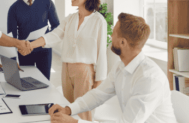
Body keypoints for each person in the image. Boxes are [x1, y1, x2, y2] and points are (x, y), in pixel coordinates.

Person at [48, 13, 178, 123]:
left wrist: (75, 121)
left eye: (114, 33)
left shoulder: (149, 80)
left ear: (123, 42)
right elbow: (98, 95)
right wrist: (69, 109)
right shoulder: (121, 66)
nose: (110, 36)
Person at [30, 0, 107, 121]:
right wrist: (31, 45)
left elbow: (101, 53)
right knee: (68, 108)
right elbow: (54, 35)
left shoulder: (98, 20)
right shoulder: (70, 18)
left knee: (84, 112)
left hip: (84, 72)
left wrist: (99, 81)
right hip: (66, 69)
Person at [7, 0, 60, 80]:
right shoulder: (14, 9)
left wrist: (46, 40)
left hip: (44, 50)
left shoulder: (47, 2)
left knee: (45, 81)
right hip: (24, 52)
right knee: (27, 81)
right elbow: (11, 36)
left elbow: (56, 27)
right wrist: (13, 60)